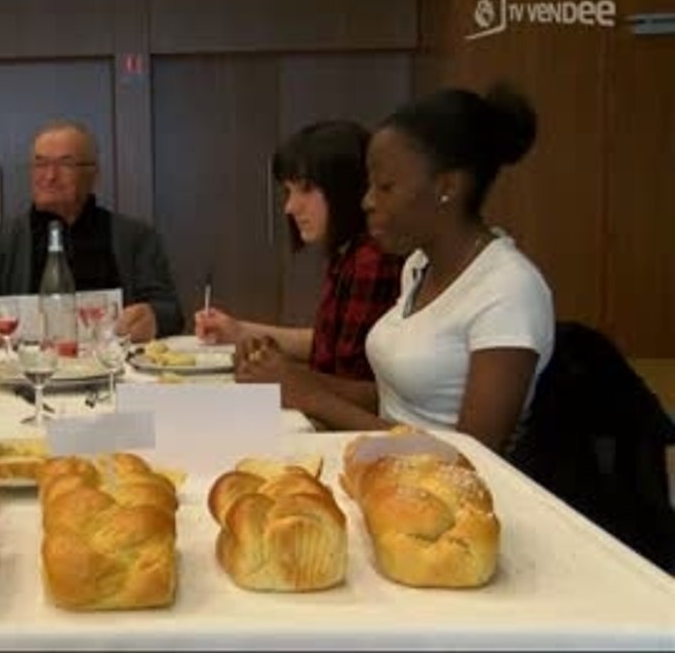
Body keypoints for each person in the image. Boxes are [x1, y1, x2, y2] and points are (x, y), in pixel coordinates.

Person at [237, 83, 554, 454]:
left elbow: (474, 456)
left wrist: (313, 397)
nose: (368, 202)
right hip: (377, 463)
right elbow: (393, 400)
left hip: (439, 494)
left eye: (385, 187)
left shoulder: (509, 289)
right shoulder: (418, 267)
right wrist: (286, 378)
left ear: (446, 187)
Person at [194, 120, 402, 382]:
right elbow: (327, 343)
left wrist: (282, 377)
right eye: (289, 191)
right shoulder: (347, 253)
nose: (290, 207)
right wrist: (239, 331)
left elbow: (351, 377)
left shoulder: (371, 260)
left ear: (345, 187)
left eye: (305, 189)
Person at [0, 120, 184, 346]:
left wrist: (154, 318)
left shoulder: (137, 236)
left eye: (65, 164)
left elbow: (171, 311)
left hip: (115, 372)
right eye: (40, 164)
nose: (49, 176)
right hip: (26, 373)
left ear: (93, 175)